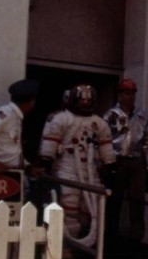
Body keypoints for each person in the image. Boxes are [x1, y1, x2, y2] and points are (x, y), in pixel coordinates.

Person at [38, 84, 116, 248]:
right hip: (67, 167)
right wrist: (46, 163)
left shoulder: (99, 123)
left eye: (88, 100)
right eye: (82, 100)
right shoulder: (61, 119)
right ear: (74, 100)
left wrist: (110, 166)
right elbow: (50, 144)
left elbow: (106, 147)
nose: (85, 103)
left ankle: (85, 245)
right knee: (69, 206)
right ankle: (65, 245)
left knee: (92, 207)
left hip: (90, 169)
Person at [102, 78, 148, 243]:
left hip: (136, 161)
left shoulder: (142, 115)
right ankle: (110, 236)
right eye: (126, 93)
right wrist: (106, 162)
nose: (130, 97)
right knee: (114, 199)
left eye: (132, 93)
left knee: (137, 199)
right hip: (117, 160)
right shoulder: (111, 115)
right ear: (120, 95)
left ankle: (136, 237)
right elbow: (103, 139)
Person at [0, 79, 39, 175]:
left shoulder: (16, 117)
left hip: (13, 173)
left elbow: (11, 149)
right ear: (31, 102)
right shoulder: (5, 114)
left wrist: (27, 166)